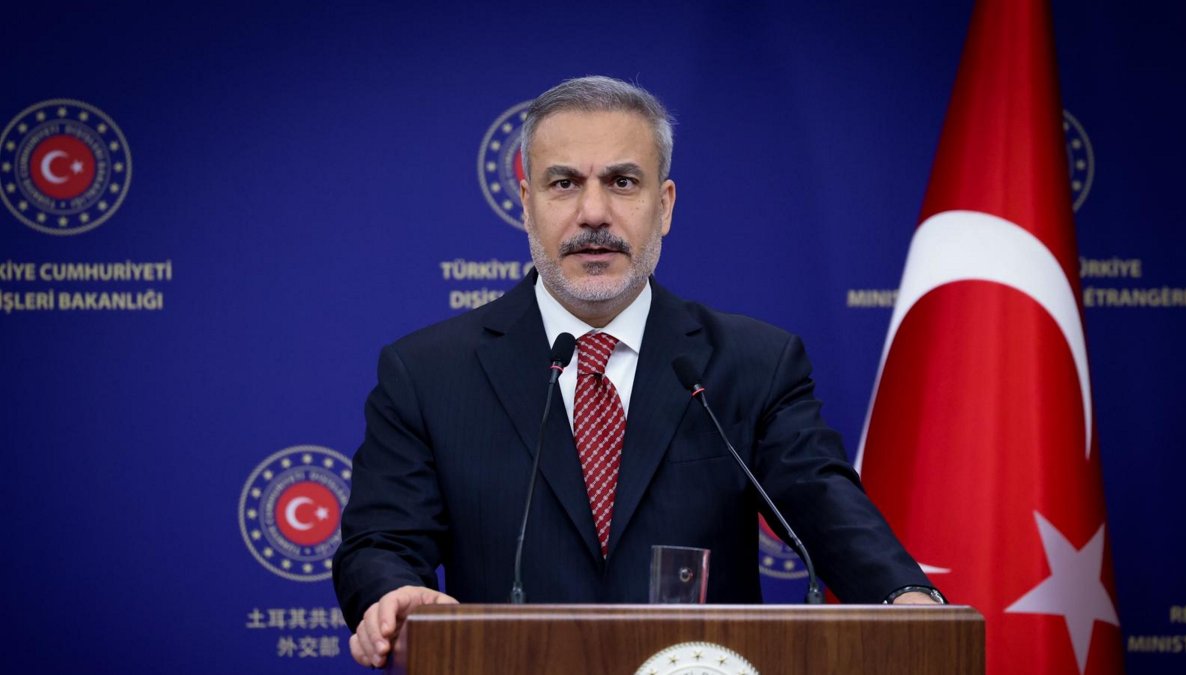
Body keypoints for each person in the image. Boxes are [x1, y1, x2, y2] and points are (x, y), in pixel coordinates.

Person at [333, 75, 942, 669]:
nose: (594, 213)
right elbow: (382, 541)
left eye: (622, 182)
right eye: (564, 184)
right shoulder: (428, 372)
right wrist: (392, 593)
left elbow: (820, 498)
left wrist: (903, 594)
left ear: (665, 205)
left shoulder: (752, 361)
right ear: (526, 206)